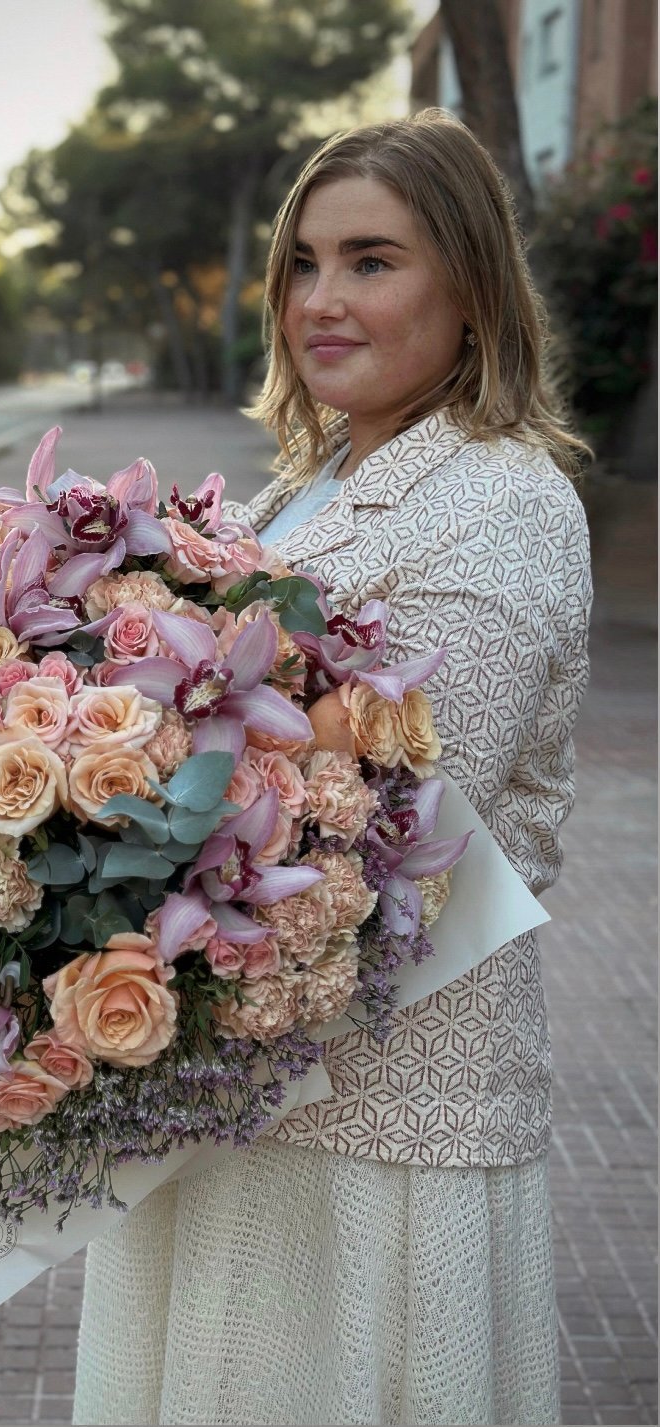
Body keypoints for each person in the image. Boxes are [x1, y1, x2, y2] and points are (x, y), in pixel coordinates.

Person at [71, 109, 593, 1427]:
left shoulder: (497, 504)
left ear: (469, 287)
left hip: (375, 1125)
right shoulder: (296, 486)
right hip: (232, 1095)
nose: (321, 301)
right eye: (302, 265)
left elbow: (400, 841)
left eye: (371, 261)